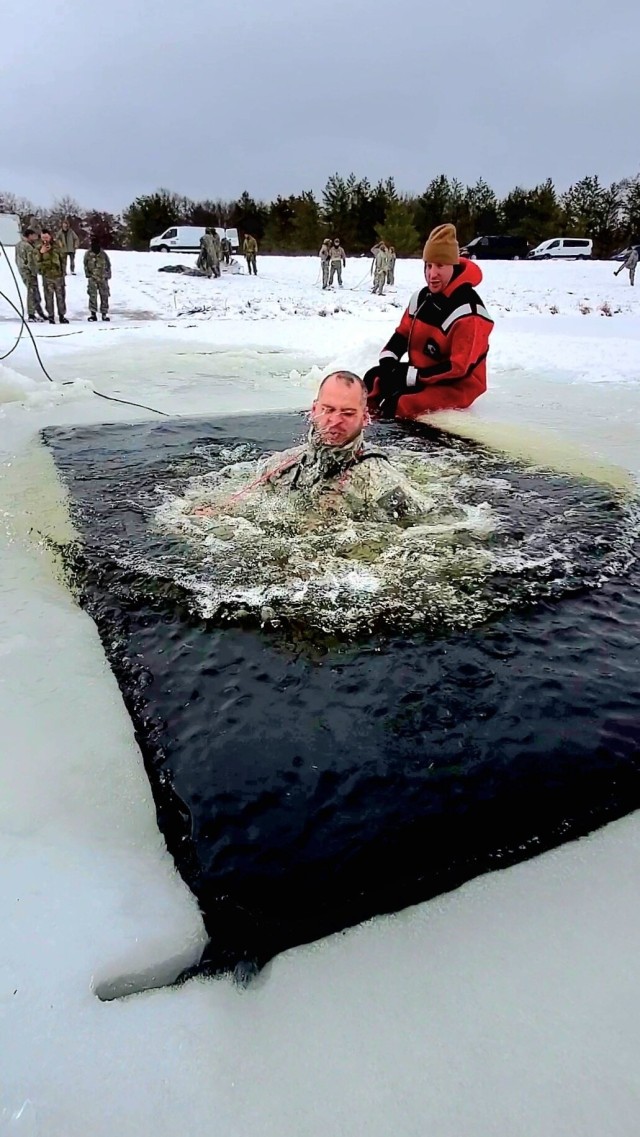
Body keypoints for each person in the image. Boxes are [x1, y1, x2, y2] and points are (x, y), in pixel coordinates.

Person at [191, 371, 428, 520]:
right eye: (328, 410)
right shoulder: (283, 465)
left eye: (347, 413)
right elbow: (249, 501)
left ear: (365, 418)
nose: (335, 421)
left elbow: (422, 532)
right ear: (314, 409)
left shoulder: (383, 483)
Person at [364, 223, 493, 420]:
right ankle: (354, 422)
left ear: (453, 265)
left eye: (440, 265)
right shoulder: (421, 298)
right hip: (423, 374)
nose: (432, 274)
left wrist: (410, 376)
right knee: (374, 379)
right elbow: (402, 334)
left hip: (457, 385)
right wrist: (388, 362)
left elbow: (458, 368)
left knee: (402, 404)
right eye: (428, 265)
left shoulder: (469, 312)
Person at [15, 228, 47, 321]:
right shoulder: (28, 246)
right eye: (34, 235)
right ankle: (31, 314)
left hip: (23, 271)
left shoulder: (19, 245)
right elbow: (31, 261)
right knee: (32, 292)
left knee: (34, 292)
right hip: (29, 272)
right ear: (29, 235)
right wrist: (35, 271)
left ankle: (39, 312)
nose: (36, 237)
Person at [37, 229, 68, 324]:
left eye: (46, 237)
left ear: (50, 236)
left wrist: (63, 272)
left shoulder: (57, 245)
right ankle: (51, 316)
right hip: (47, 276)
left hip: (58, 275)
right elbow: (36, 262)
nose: (45, 239)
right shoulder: (38, 247)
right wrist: (41, 253)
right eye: (43, 237)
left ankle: (62, 315)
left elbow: (63, 259)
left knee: (61, 296)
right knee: (48, 297)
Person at [83, 236, 112, 321]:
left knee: (104, 295)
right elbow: (85, 264)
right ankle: (93, 314)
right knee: (92, 296)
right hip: (92, 278)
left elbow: (108, 265)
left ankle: (104, 314)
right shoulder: (88, 254)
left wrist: (108, 275)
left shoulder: (103, 254)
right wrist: (88, 275)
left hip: (103, 278)